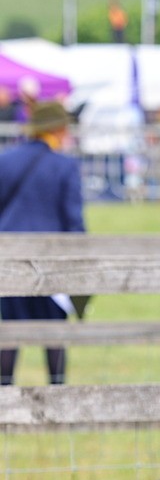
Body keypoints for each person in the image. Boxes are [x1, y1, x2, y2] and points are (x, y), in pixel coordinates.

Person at [0, 102, 85, 386]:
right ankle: (57, 392)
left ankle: (4, 395)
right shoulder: (65, 165)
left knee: (10, 333)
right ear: (58, 129)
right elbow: (74, 222)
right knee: (54, 334)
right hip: (51, 260)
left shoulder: (5, 160)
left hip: (10, 257)